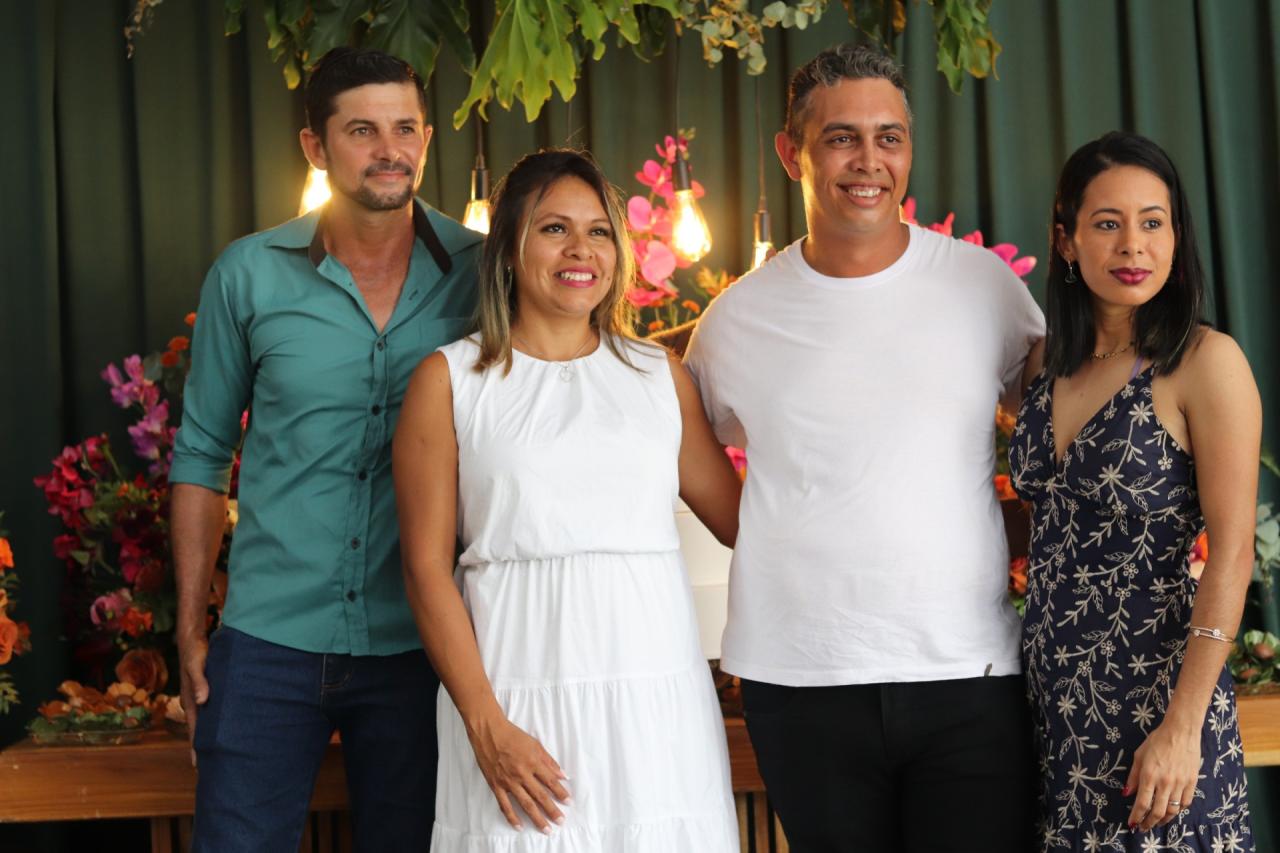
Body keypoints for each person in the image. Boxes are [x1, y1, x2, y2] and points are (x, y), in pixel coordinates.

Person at [683, 44, 1045, 851]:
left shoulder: (985, 287)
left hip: (968, 670)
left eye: (890, 137)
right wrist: (770, 530)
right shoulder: (737, 319)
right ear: (792, 153)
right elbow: (684, 455)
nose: (869, 161)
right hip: (799, 677)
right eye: (842, 137)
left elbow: (1062, 430)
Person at [169, 47, 481, 851]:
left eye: (406, 128)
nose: (390, 149)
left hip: (422, 645)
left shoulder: (483, 274)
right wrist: (190, 627)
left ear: (427, 137)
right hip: (268, 641)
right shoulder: (248, 274)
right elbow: (202, 454)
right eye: (362, 130)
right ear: (315, 145)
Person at [393, 148, 742, 851]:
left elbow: (746, 524)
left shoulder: (658, 377)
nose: (581, 249)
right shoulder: (450, 381)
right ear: (509, 249)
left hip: (656, 703)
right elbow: (425, 569)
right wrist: (486, 725)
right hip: (515, 697)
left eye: (599, 231)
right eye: (554, 228)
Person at [1010, 131, 1259, 851]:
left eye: (1153, 222)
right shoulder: (1045, 365)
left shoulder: (1205, 362)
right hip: (1052, 710)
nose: (1133, 245)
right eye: (1107, 223)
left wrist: (1183, 727)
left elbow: (1233, 553)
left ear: (1176, 236)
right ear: (1065, 240)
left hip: (1158, 703)